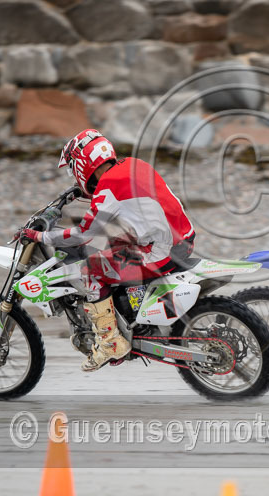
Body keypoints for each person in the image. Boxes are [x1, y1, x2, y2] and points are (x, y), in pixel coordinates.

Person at [19, 129, 195, 372]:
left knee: (91, 269)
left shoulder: (108, 187)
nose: (73, 175)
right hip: (182, 239)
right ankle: (132, 310)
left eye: (73, 168)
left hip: (160, 252)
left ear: (83, 164)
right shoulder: (133, 165)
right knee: (113, 243)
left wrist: (40, 235)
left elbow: (83, 234)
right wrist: (81, 193)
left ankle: (110, 343)